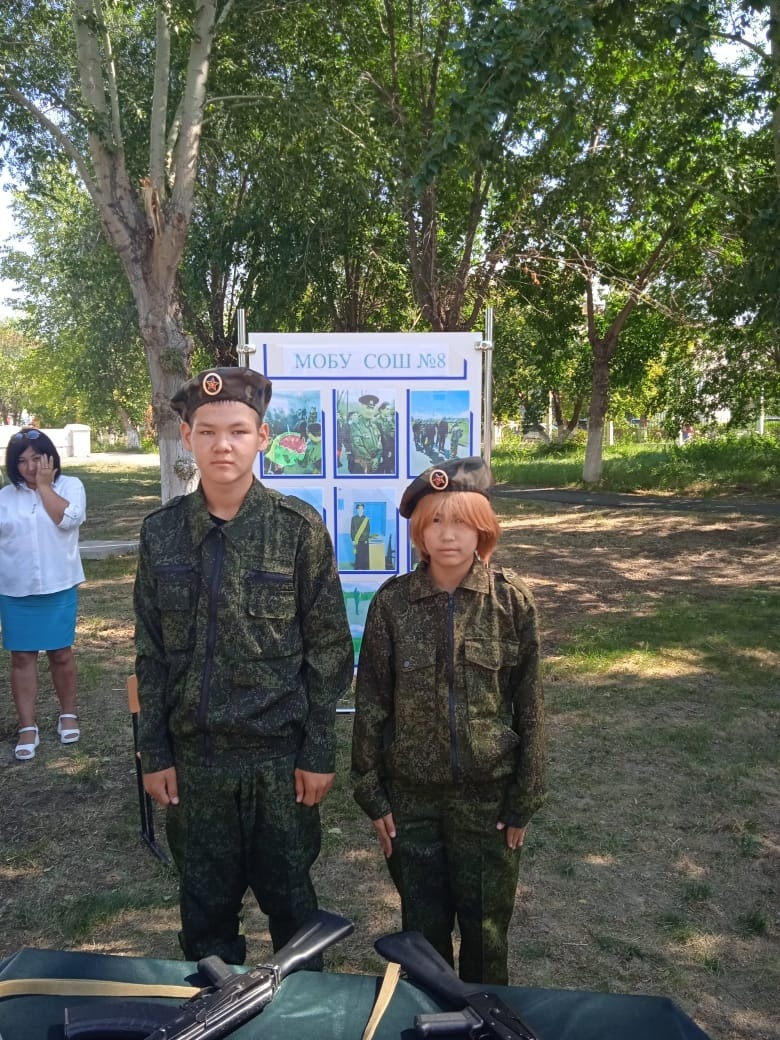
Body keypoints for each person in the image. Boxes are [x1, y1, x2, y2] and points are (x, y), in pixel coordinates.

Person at [134, 368, 354, 965]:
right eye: (207, 432)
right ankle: (216, 1011)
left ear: (262, 437)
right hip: (195, 764)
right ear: (187, 437)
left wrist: (318, 751)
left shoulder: (297, 529)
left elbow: (330, 651)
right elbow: (151, 655)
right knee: (205, 920)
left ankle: (304, 1011)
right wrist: (154, 752)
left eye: (237, 431)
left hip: (277, 763)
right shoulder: (161, 534)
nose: (222, 445)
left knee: (294, 915)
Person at [351, 456, 545, 985]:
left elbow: (530, 705)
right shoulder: (393, 605)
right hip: (411, 802)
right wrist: (372, 795)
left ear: (483, 528)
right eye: (435, 521)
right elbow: (372, 703)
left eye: (461, 521)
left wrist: (524, 799)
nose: (448, 535)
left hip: (488, 803)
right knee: (422, 936)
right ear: (419, 531)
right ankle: (427, 1016)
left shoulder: (511, 602)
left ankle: (486, 1018)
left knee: (486, 934)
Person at [0, 428, 86, 761]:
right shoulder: (6, 497)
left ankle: (68, 714)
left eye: (37, 458)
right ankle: (27, 726)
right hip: (15, 589)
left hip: (58, 584)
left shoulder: (71, 486)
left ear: (50, 457)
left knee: (61, 653)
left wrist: (46, 487)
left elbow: (68, 520)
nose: (30, 467)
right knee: (21, 657)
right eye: (22, 461)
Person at [350, 502, 371, 569]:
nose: (360, 510)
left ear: (363, 509)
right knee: (357, 554)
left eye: (361, 508)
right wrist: (353, 539)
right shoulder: (353, 518)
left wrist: (364, 538)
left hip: (364, 540)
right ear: (357, 509)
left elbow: (368, 530)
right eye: (359, 508)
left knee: (364, 554)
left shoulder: (366, 519)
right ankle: (358, 567)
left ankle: (364, 568)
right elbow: (352, 529)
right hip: (356, 540)